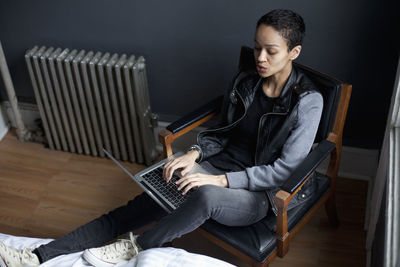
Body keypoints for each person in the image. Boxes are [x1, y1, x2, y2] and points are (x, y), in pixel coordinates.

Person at [0, 9, 323, 267]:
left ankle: (136, 247)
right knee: (139, 203)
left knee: (205, 197)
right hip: (218, 167)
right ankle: (37, 256)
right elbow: (221, 133)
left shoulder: (308, 101)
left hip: (258, 193)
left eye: (271, 51)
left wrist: (220, 181)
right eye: (257, 47)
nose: (260, 58)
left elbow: (286, 170)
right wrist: (193, 154)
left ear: (294, 51)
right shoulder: (246, 82)